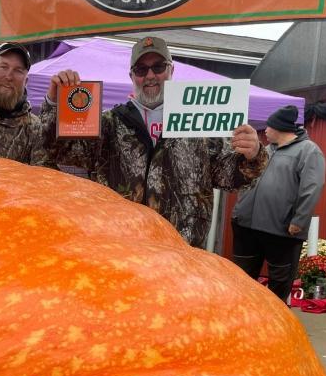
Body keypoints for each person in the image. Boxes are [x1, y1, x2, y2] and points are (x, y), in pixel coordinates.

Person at [42, 36, 267, 248]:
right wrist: (54, 103)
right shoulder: (108, 123)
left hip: (181, 253)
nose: (150, 75)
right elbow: (61, 151)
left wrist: (252, 154)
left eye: (158, 67)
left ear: (171, 70)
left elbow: (228, 177)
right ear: (132, 76)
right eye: (141, 69)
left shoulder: (199, 122)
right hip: (120, 248)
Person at [231, 105, 326, 303]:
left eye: (269, 126)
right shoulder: (265, 150)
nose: (265, 130)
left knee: (279, 284)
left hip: (282, 230)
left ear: (280, 128)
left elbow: (312, 188)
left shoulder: (309, 151)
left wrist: (299, 220)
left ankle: (277, 324)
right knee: (240, 279)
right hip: (247, 225)